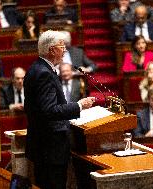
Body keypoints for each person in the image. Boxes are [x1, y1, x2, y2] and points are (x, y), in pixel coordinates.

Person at [23, 30, 95, 189]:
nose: (65, 51)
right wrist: (79, 105)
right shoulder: (44, 73)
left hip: (43, 145)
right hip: (50, 147)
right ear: (51, 50)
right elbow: (49, 110)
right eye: (62, 47)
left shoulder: (36, 68)